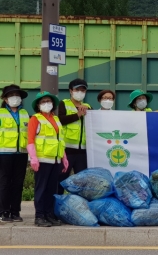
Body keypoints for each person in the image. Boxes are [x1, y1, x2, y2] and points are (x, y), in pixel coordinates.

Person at [27, 92, 68, 227]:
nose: (47, 103)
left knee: (52, 189)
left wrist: (64, 157)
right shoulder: (35, 119)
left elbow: (60, 140)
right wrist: (33, 158)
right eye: (43, 101)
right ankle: (39, 216)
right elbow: (30, 140)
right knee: (41, 189)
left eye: (49, 101)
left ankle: (49, 215)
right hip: (42, 160)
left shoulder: (56, 119)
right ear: (38, 105)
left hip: (55, 160)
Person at [0, 85, 30, 223]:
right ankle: (4, 211)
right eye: (11, 95)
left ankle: (15, 211)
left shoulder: (24, 113)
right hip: (4, 153)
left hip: (21, 153)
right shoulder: (1, 113)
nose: (15, 98)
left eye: (17, 95)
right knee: (4, 182)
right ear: (5, 99)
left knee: (18, 183)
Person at [57, 79, 91, 194]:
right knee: (60, 179)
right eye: (77, 90)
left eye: (83, 90)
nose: (80, 92)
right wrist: (78, 115)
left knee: (81, 183)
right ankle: (56, 207)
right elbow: (60, 120)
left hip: (83, 151)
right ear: (71, 91)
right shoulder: (64, 103)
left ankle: (78, 206)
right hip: (67, 151)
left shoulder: (88, 107)